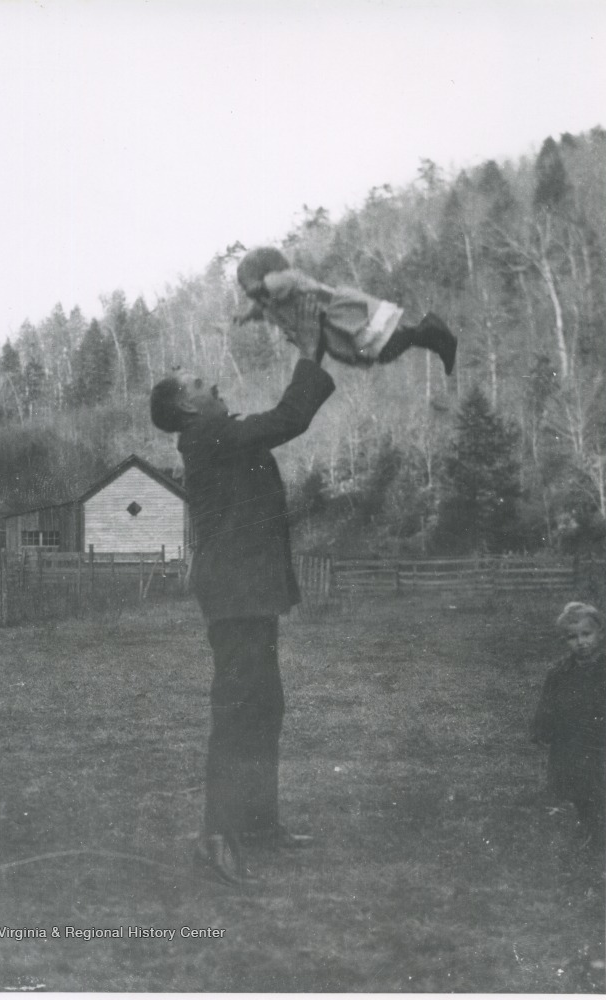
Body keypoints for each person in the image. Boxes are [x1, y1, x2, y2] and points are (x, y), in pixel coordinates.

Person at [150, 321, 335, 886]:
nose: (215, 385)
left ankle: (256, 825)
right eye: (202, 383)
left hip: (249, 593)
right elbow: (288, 419)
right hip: (235, 595)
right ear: (187, 406)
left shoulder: (219, 438)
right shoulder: (208, 437)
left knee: (264, 708)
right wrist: (311, 353)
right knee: (238, 714)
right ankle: (216, 836)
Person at [234, 245, 457, 376]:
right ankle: (432, 337)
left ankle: (429, 330)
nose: (248, 292)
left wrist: (257, 286)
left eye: (248, 285)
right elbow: (261, 309)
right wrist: (245, 316)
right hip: (338, 329)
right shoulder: (270, 303)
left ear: (264, 274)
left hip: (343, 314)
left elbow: (274, 285)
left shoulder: (285, 279)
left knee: (385, 346)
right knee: (383, 351)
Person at [531, 601, 606, 849]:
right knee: (573, 784)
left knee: (600, 784)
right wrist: (542, 727)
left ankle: (599, 828)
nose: (581, 642)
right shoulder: (560, 672)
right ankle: (584, 823)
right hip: (570, 741)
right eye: (572, 637)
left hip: (601, 740)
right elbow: (548, 703)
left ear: (601, 633)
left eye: (587, 634)